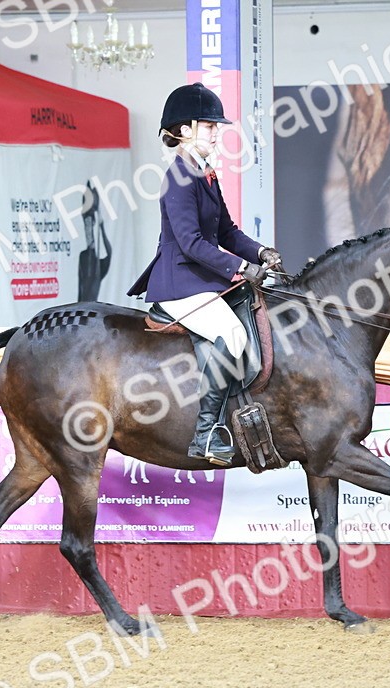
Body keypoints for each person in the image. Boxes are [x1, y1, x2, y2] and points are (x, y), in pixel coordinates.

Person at [127, 82, 282, 466]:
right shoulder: (178, 178)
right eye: (209, 126)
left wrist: (261, 252)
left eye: (217, 126)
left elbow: (227, 232)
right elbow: (191, 242)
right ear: (183, 131)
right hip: (180, 283)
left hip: (202, 280)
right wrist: (241, 267)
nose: (216, 132)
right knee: (231, 334)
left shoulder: (206, 172)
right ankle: (206, 434)